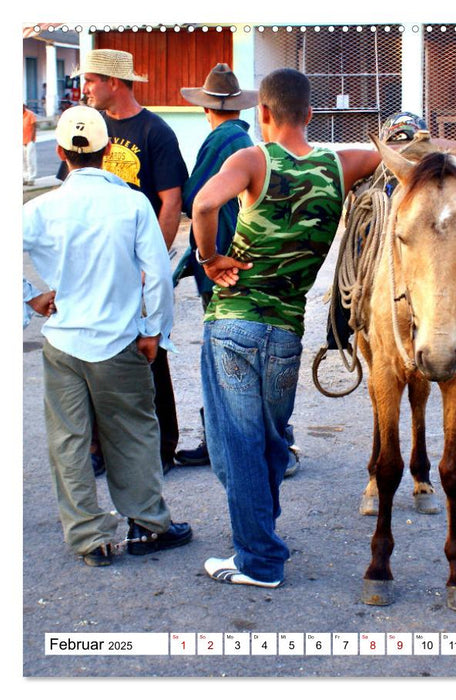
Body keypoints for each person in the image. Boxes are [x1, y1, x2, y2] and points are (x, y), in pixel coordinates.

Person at [192, 68, 382, 588]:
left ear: (265, 115)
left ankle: (258, 559)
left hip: (234, 324)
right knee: (271, 441)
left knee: (237, 443)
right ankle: (262, 535)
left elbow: (205, 203)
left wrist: (209, 258)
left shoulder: (254, 159)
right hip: (286, 333)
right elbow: (405, 152)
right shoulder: (338, 164)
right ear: (312, 115)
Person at [23, 106, 192, 567]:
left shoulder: (39, 209)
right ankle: (148, 526)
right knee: (134, 431)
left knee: (69, 441)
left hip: (62, 344)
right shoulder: (133, 204)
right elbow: (157, 275)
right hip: (118, 341)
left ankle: (89, 539)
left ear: (60, 153)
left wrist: (30, 300)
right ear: (109, 151)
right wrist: (154, 331)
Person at [71, 48, 189, 474]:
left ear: (113, 82)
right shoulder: (89, 128)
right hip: (96, 263)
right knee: (94, 351)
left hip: (137, 264)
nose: (84, 89)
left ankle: (163, 448)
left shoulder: (154, 130)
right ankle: (100, 450)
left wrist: (150, 262)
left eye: (90, 80)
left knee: (150, 350)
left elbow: (171, 199)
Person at [170, 63, 259, 469]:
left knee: (220, 357)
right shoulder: (247, 141)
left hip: (219, 261)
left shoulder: (220, 140)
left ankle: (220, 442)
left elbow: (195, 199)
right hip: (245, 256)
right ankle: (251, 440)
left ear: (207, 109)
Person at [23, 104, 38, 185]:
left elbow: (34, 127)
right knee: (23, 160)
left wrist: (32, 139)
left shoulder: (30, 114)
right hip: (21, 140)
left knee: (30, 159)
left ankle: (31, 178)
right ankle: (25, 177)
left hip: (29, 141)